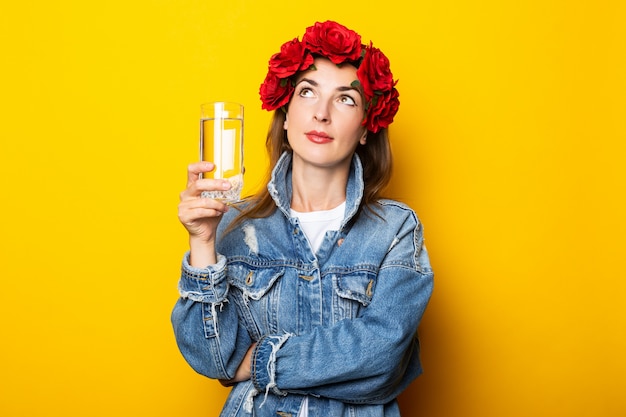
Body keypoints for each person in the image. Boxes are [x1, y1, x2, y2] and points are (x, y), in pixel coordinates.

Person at [172, 20, 434, 417]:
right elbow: (214, 359)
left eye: (345, 99)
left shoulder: (395, 230)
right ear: (287, 115)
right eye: (308, 92)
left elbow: (383, 355)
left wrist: (261, 362)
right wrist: (203, 242)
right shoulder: (235, 224)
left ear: (365, 127)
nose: (322, 114)